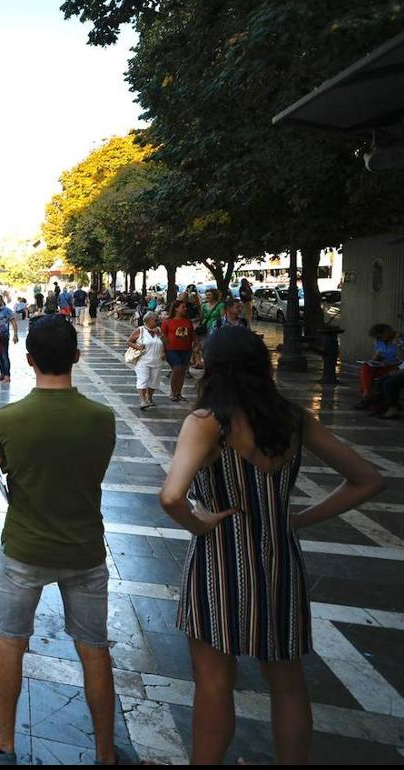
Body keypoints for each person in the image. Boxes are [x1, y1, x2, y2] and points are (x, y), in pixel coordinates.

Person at [159, 326, 384, 765]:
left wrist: (199, 523)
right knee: (288, 685)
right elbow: (368, 480)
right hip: (281, 562)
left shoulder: (207, 422)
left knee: (214, 684)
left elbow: (171, 497)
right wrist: (297, 519)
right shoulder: (292, 419)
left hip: (219, 564)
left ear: (214, 367)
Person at [0, 316, 128, 766]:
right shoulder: (101, 419)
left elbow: (5, 467)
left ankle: (4, 744)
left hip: (25, 547)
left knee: (11, 640)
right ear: (76, 356)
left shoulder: (8, 419)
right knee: (94, 650)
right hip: (85, 548)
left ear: (28, 359)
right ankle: (105, 753)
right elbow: (94, 470)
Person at [354, 324, 401, 408]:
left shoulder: (399, 340)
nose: (379, 339)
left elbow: (402, 360)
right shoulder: (379, 341)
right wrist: (374, 360)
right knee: (366, 367)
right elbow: (377, 355)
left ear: (387, 333)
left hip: (395, 367)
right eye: (377, 338)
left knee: (368, 375)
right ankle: (367, 394)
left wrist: (397, 345)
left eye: (380, 337)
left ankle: (366, 398)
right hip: (382, 365)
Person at [128, 311, 164, 410]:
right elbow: (129, 341)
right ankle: (143, 400)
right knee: (142, 379)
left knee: (154, 381)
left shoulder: (158, 330)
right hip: (143, 361)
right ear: (148, 321)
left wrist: (161, 336)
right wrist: (138, 347)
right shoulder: (140, 330)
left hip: (157, 361)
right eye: (155, 320)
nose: (157, 321)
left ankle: (150, 397)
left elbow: (165, 342)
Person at [160, 301, 194, 402]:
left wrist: (195, 346)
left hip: (186, 349)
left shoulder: (188, 321)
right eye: (183, 307)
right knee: (176, 369)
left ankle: (179, 393)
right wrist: (163, 350)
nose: (185, 309)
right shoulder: (167, 322)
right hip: (172, 349)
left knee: (183, 370)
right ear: (176, 308)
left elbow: (192, 335)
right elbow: (163, 337)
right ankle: (172, 392)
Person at [0, 297, 19, 385]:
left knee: (4, 355)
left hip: (3, 336)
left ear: (2, 301)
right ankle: (2, 374)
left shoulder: (7, 311)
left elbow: (13, 322)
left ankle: (7, 376)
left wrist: (15, 334)